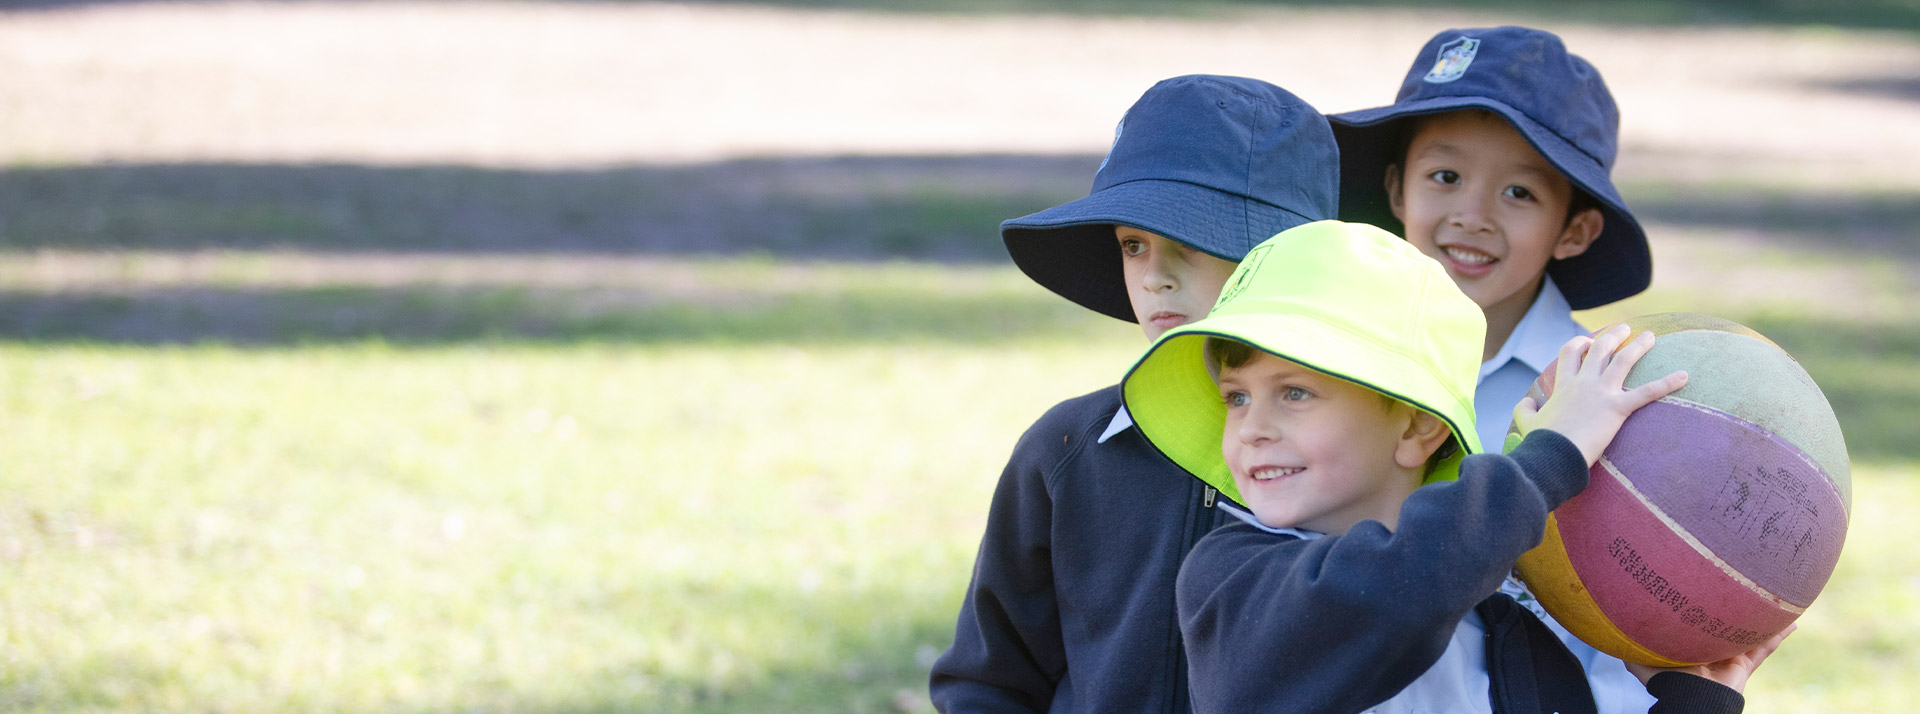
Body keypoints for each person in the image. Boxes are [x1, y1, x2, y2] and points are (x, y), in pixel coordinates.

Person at [1120, 220, 1787, 714]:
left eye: (1294, 392)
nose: (1253, 427)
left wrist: (1693, 701)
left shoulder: (1508, 637)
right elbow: (1387, 590)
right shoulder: (1230, 584)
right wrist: (1547, 461)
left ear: (1416, 425)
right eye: (1236, 396)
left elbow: (1422, 573)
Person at [929, 74, 1340, 713]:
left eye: (1193, 240)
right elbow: (989, 680)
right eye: (1133, 244)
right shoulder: (1067, 449)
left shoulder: (1355, 449)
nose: (1154, 277)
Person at [1329, 26, 1665, 709]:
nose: (1473, 215)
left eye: (1520, 194)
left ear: (1574, 230)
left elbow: (1633, 642)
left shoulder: (1606, 392)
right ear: (1397, 191)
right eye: (1445, 177)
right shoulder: (1327, 360)